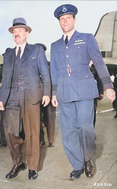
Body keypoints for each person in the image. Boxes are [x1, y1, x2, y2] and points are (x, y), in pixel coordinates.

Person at [50, 4, 115, 180]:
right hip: (64, 93)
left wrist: (108, 86)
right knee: (68, 131)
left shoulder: (86, 38)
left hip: (85, 91)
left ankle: (88, 159)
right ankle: (77, 165)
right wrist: (54, 93)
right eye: (62, 19)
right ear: (59, 22)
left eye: (68, 18)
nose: (65, 21)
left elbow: (99, 63)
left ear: (74, 20)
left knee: (86, 128)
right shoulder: (55, 45)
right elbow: (54, 70)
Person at [0, 18, 50, 180]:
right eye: (14, 31)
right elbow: (6, 79)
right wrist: (1, 98)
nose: (16, 33)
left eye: (20, 30)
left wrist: (47, 93)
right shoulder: (8, 54)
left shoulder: (36, 51)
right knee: (10, 132)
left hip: (32, 96)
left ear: (27, 33)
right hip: (12, 97)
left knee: (33, 133)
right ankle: (18, 162)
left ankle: (33, 167)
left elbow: (45, 73)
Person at [35, 43, 56, 148]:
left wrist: (54, 95)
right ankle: (41, 139)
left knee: (50, 118)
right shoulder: (32, 67)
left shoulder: (50, 65)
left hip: (49, 95)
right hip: (36, 97)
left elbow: (54, 81)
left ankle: (51, 140)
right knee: (37, 119)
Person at [89, 61, 104, 127]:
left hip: (92, 95)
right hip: (79, 95)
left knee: (92, 112)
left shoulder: (94, 70)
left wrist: (101, 92)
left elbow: (99, 81)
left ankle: (91, 130)